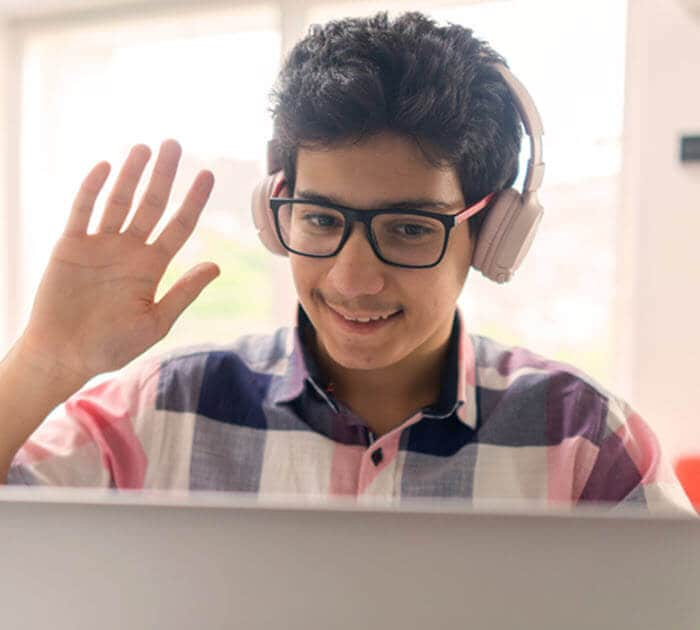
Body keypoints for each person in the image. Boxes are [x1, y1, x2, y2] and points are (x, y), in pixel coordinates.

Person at [0, 12, 692, 511]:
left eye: (410, 228)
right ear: (279, 212)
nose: (352, 280)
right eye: (323, 219)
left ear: (493, 236)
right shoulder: (165, 409)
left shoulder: (586, 441)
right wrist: (44, 361)